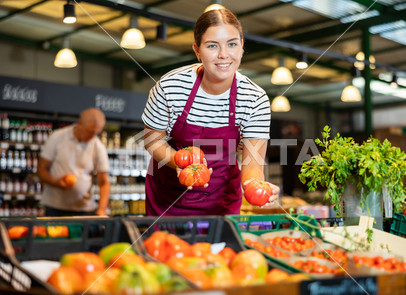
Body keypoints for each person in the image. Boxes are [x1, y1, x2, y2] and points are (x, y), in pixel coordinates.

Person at [142, 8, 279, 216]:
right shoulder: (170, 87)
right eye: (212, 46)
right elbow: (152, 141)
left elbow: (252, 162)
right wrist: (178, 161)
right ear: (197, 51)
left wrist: (254, 185)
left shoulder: (255, 99)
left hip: (222, 204)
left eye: (232, 44)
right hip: (167, 202)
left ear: (242, 46)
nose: (224, 55)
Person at [37, 108, 110, 216]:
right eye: (90, 132)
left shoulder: (98, 146)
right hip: (55, 208)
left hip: (85, 209)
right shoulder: (57, 137)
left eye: (97, 133)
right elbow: (41, 169)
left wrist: (101, 209)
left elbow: (104, 183)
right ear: (80, 124)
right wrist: (55, 182)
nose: (92, 137)